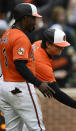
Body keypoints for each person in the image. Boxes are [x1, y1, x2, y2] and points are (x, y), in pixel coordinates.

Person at [0, 3, 55, 131]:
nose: (35, 22)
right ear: (25, 18)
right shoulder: (20, 37)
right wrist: (39, 83)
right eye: (33, 18)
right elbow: (20, 65)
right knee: (37, 128)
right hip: (19, 86)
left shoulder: (6, 35)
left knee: (12, 129)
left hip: (4, 86)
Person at [32, 28, 76, 116]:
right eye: (59, 46)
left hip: (14, 84)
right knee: (37, 125)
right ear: (48, 44)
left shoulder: (39, 43)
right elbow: (56, 92)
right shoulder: (42, 62)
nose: (62, 48)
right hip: (21, 88)